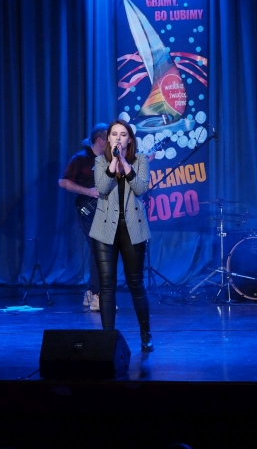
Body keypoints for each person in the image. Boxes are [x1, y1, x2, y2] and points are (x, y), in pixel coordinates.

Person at [89, 119, 154, 352]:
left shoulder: (141, 160)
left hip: (132, 229)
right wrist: (114, 162)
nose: (118, 138)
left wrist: (125, 163)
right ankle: (107, 339)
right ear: (108, 138)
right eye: (114, 134)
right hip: (104, 229)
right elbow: (102, 188)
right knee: (106, 285)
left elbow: (141, 188)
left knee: (136, 284)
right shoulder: (100, 161)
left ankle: (145, 333)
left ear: (129, 139)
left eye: (123, 134)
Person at [58, 123, 108, 311]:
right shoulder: (80, 159)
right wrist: (88, 191)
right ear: (99, 140)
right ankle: (97, 295)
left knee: (100, 250)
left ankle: (91, 292)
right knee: (100, 248)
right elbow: (63, 182)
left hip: (105, 211)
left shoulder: (109, 159)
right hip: (87, 210)